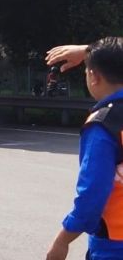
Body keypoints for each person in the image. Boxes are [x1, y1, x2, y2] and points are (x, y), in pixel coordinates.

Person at [45, 37, 123, 260]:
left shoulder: (104, 124)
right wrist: (90, 51)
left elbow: (93, 194)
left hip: (115, 246)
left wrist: (63, 241)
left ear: (94, 76)